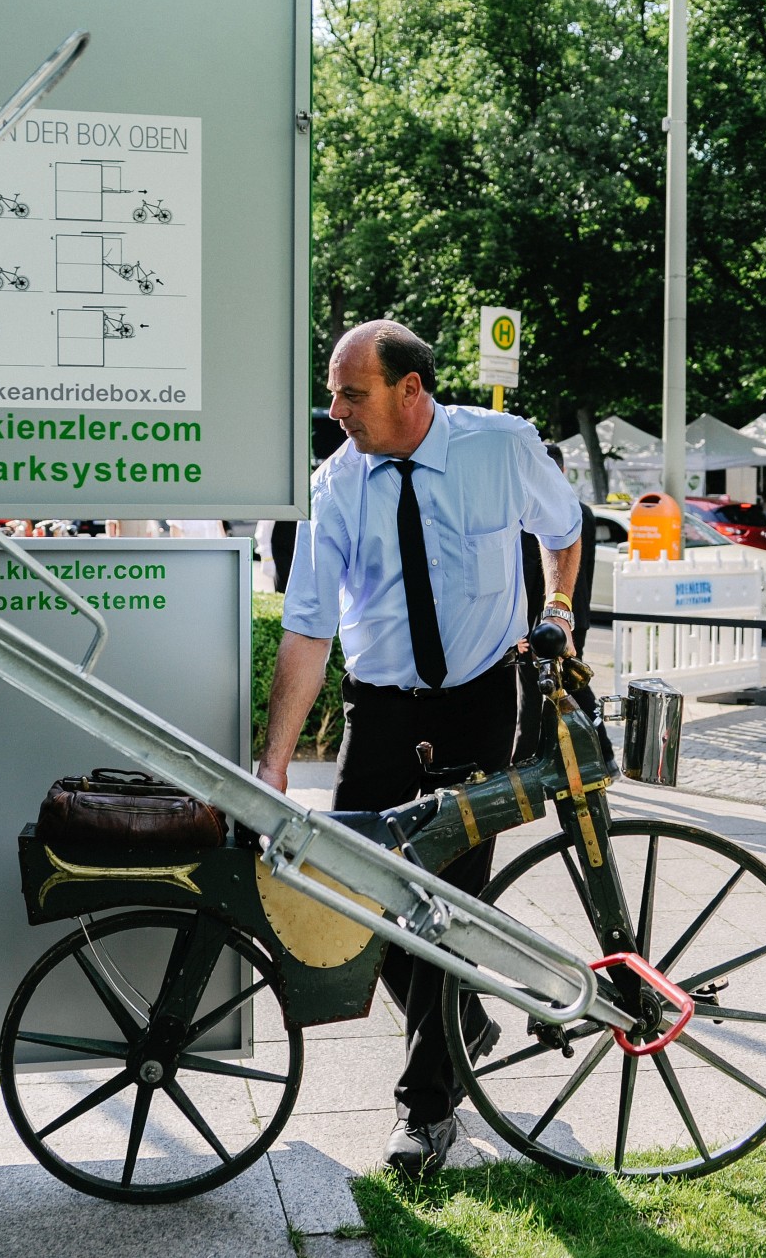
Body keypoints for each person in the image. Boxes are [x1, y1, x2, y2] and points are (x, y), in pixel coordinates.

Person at [256, 319, 584, 1176]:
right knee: (362, 899)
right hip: (382, 714)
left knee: (445, 907)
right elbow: (306, 628)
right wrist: (274, 764)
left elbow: (564, 525)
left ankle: (426, 1112)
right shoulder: (336, 484)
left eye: (351, 393)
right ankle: (465, 1019)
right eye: (333, 392)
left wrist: (558, 608)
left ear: (411, 389)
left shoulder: (500, 445)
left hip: (479, 705)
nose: (335, 410)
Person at [516, 444, 599, 761]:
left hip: (544, 622)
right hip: (577, 615)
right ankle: (590, 753)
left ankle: (532, 761)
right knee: (572, 683)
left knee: (532, 695)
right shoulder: (583, 511)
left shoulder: (532, 515)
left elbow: (530, 575)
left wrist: (523, 629)